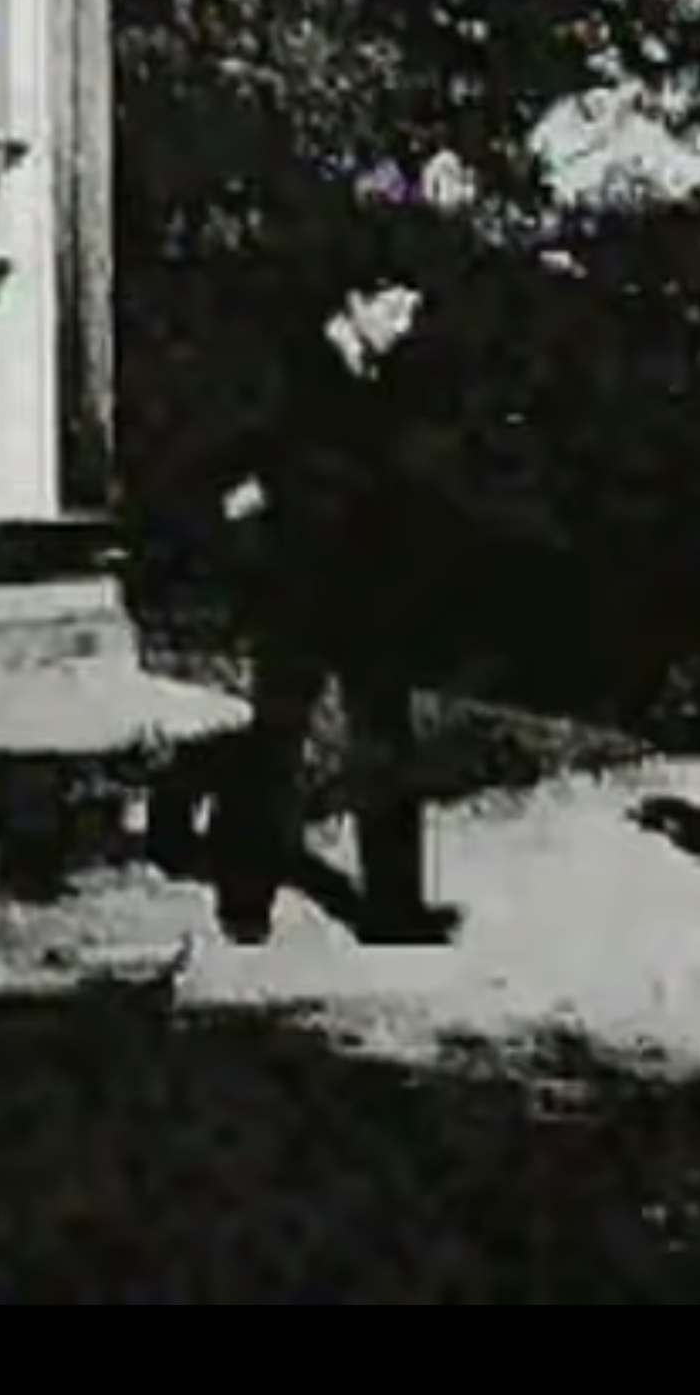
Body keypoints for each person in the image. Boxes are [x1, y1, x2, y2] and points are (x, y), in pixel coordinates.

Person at [191, 234, 461, 947]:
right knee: (278, 735)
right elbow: (249, 469)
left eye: (412, 313)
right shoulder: (289, 370)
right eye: (394, 310)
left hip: (369, 581)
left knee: (386, 739)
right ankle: (245, 896)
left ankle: (394, 907)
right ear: (354, 302)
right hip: (296, 581)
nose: (405, 326)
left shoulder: (387, 380)